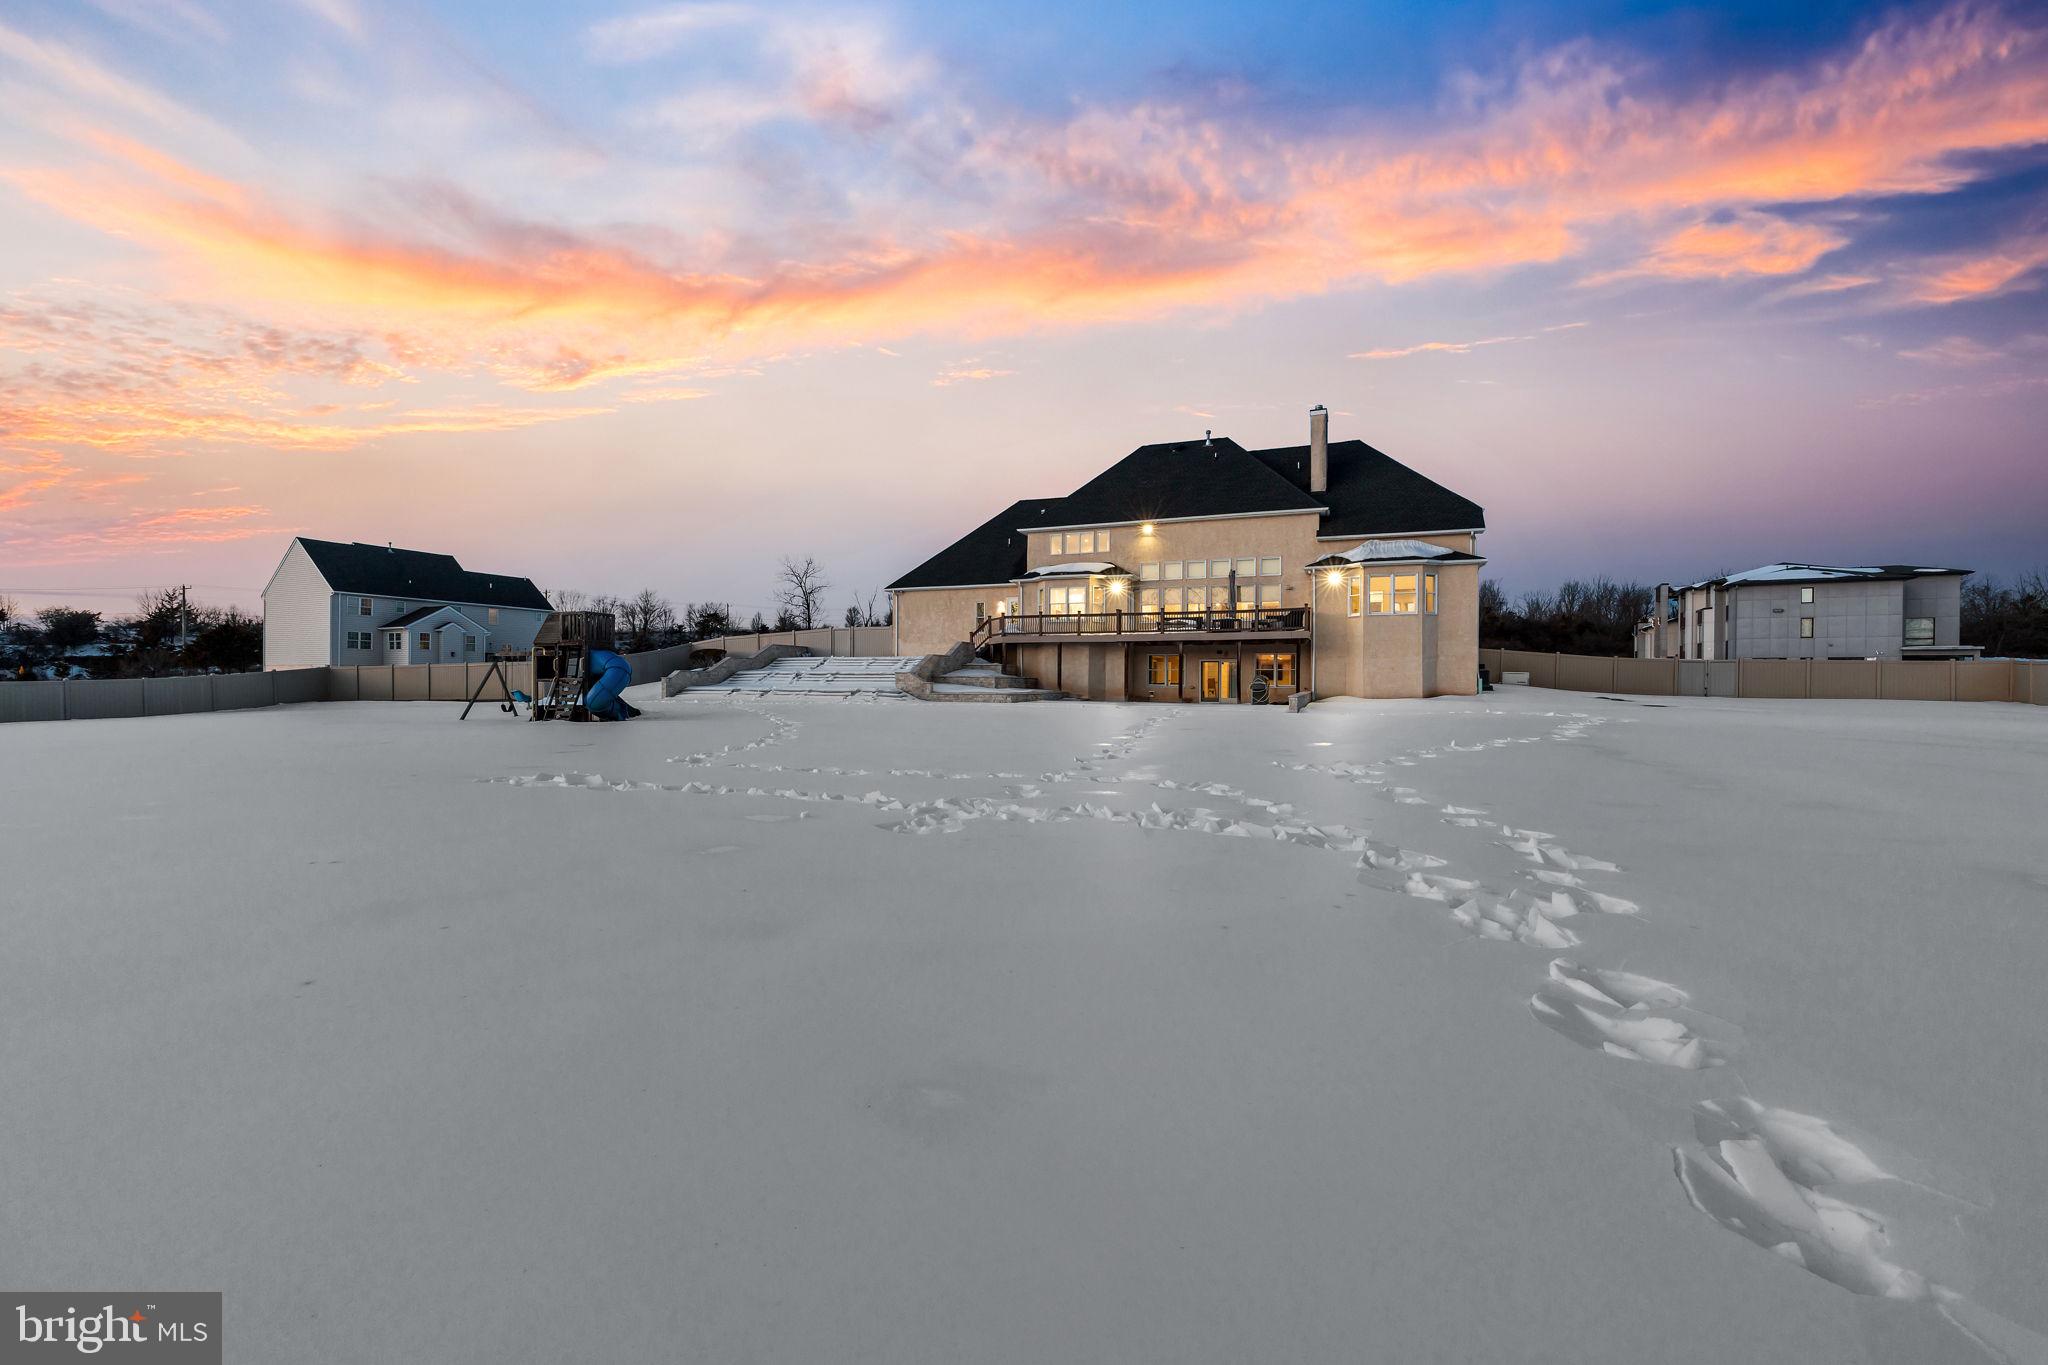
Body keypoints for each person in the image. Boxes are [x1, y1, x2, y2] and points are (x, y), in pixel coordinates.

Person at [582, 647, 640, 721]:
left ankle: (622, 713)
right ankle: (630, 712)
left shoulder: (588, 657)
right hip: (621, 667)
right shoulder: (594, 656)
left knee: (593, 703)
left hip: (616, 669)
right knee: (599, 698)